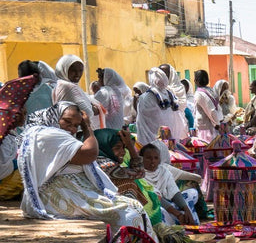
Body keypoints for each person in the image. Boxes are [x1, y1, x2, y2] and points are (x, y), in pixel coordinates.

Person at [18, 101, 154, 235]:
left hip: (66, 192)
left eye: (76, 125)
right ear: (54, 117)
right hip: (58, 194)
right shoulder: (49, 135)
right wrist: (87, 126)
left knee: (132, 204)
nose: (71, 129)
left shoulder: (50, 137)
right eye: (67, 122)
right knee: (130, 209)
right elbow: (89, 154)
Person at [139, 143, 198, 225]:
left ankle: (188, 219)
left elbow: (174, 191)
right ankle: (178, 224)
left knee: (192, 193)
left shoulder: (164, 171)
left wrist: (186, 209)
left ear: (159, 159)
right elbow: (156, 198)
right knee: (161, 211)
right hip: (156, 207)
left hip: (171, 205)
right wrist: (178, 214)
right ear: (141, 159)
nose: (153, 161)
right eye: (149, 158)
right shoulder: (139, 175)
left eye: (156, 158)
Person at [192, 70, 220, 141]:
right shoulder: (211, 91)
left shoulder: (200, 94)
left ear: (196, 81)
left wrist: (216, 123)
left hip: (205, 129)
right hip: (210, 126)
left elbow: (211, 110)